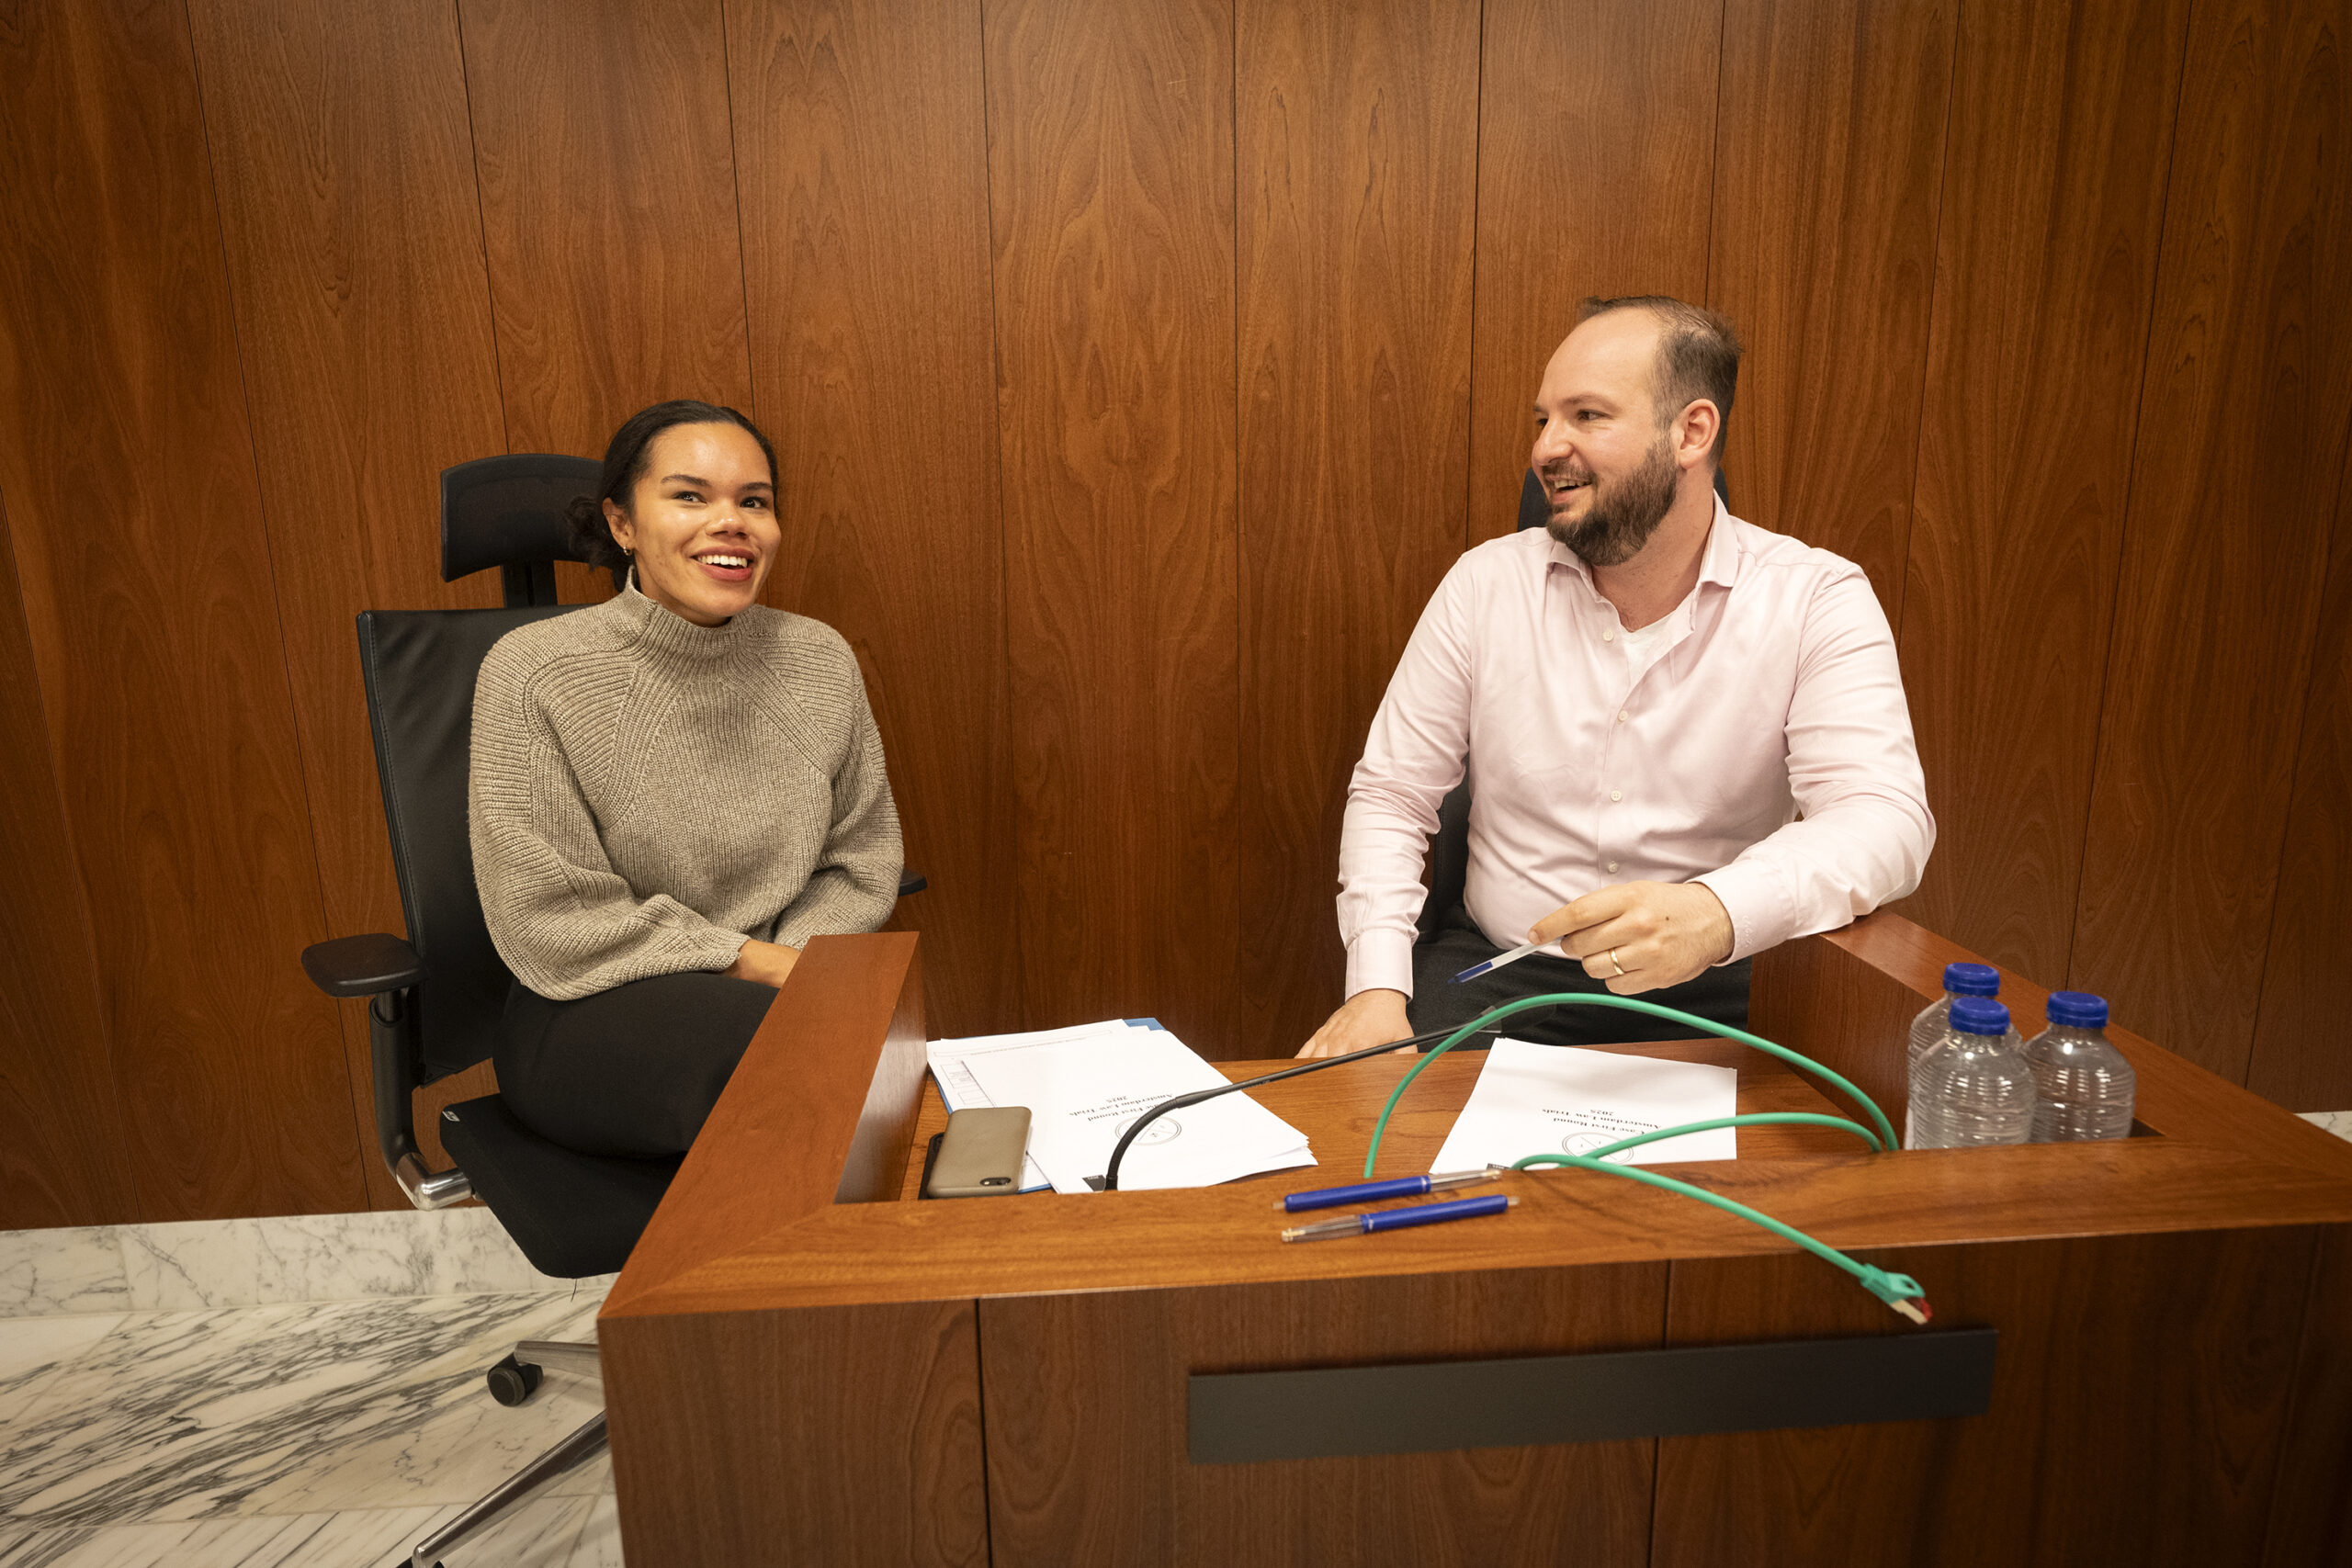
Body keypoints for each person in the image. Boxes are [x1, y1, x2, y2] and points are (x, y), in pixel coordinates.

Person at [1299, 297, 1933, 1057]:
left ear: (1691, 431)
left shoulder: (1815, 597)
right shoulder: (1484, 585)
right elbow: (1392, 794)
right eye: (1543, 420)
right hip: (1505, 973)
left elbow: (1885, 817)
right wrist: (1375, 988)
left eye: (1587, 415)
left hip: (1723, 978)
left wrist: (1718, 910)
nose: (1546, 447)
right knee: (1398, 1125)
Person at [470, 400, 903, 1153]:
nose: (731, 521)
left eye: (754, 501)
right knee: (792, 1066)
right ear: (622, 524)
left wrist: (801, 961)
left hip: (783, 988)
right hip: (592, 998)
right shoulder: (533, 671)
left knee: (864, 1047)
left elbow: (857, 859)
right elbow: (552, 915)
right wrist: (751, 962)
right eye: (690, 496)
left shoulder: (820, 660)